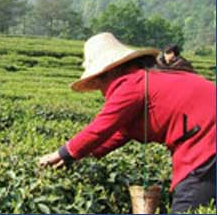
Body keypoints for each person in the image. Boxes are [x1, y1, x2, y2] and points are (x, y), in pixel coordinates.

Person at [38, 32, 215, 213]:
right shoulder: (144, 80)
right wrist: (84, 156)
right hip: (204, 138)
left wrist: (62, 153)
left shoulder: (131, 84)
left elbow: (101, 127)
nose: (101, 91)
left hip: (207, 140)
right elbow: (120, 133)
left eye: (100, 82)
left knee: (188, 205)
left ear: (111, 72)